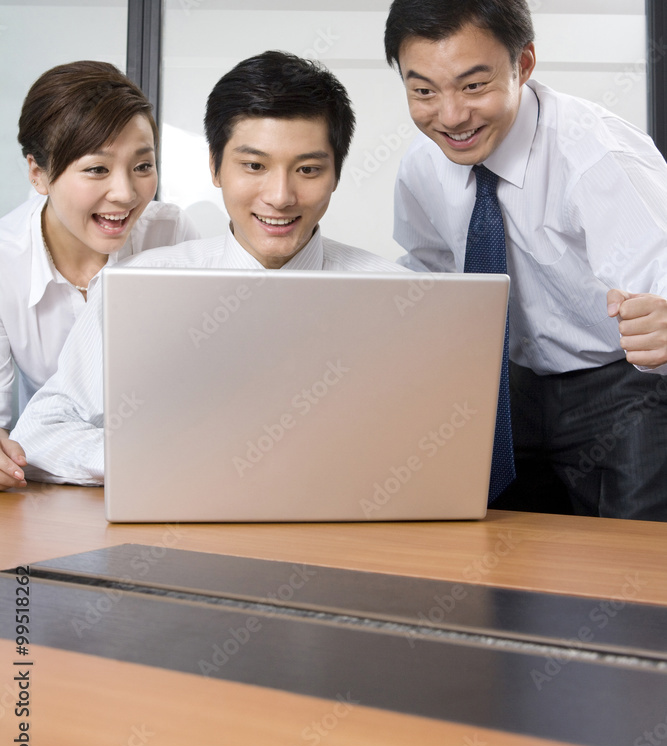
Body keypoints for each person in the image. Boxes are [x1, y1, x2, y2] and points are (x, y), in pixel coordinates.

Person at [13, 51, 406, 485]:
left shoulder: (403, 297)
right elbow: (42, 431)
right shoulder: (141, 284)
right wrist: (164, 459)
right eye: (254, 166)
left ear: (335, 175)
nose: (279, 196)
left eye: (308, 169)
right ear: (215, 168)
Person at [385, 0, 667, 521]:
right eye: (424, 91)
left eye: (474, 84)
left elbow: (660, 293)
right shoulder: (423, 167)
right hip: (500, 388)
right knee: (501, 555)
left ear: (525, 63)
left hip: (617, 390)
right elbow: (431, 275)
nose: (452, 115)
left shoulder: (597, 158)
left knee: (638, 568)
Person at [0, 61, 198, 491]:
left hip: (165, 479)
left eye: (143, 166)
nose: (126, 194)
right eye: (97, 169)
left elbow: (201, 382)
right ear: (38, 173)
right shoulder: (4, 263)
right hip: (53, 486)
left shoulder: (171, 234)